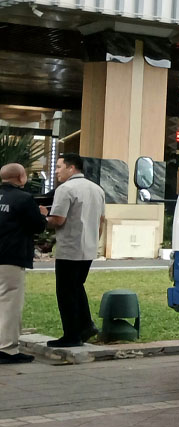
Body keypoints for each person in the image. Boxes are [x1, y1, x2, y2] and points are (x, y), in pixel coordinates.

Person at [44, 153, 105, 348]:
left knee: (65, 292)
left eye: (59, 167)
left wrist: (43, 217)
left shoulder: (66, 189)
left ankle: (71, 334)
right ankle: (86, 325)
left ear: (72, 168)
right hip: (88, 247)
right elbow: (102, 220)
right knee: (77, 287)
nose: (56, 171)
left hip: (70, 247)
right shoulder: (97, 189)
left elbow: (58, 220)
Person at [0, 163, 47, 364]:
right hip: (11, 257)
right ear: (21, 177)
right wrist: (43, 215)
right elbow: (37, 225)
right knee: (10, 302)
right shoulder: (24, 199)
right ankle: (7, 349)